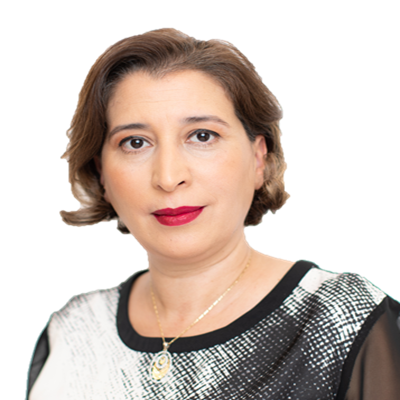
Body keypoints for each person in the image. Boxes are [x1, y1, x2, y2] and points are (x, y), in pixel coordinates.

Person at [26, 28, 400, 399]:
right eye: (135, 142)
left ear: (259, 158)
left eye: (202, 136)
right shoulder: (73, 330)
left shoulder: (343, 318)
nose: (168, 177)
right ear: (102, 174)